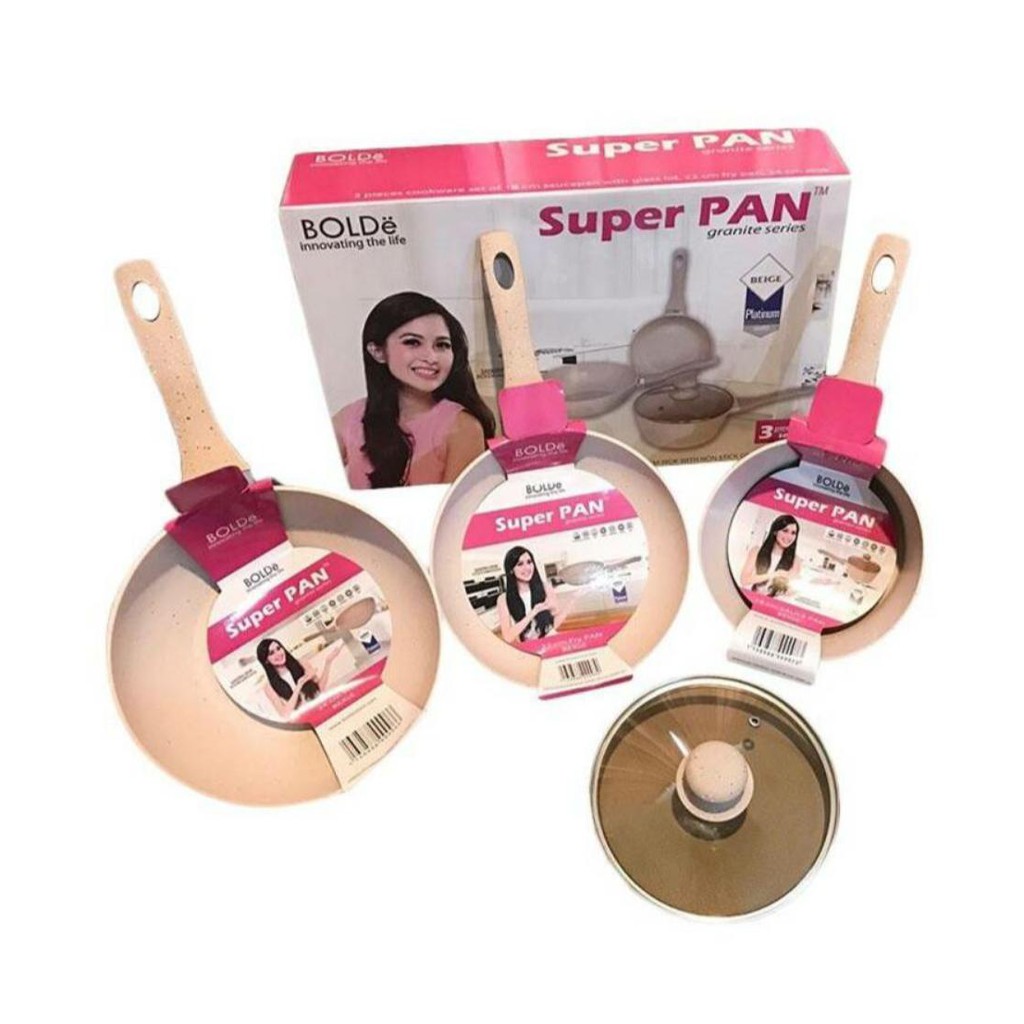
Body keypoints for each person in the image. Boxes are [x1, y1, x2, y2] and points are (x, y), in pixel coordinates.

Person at [335, 292, 496, 488]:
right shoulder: (348, 420)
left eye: (442, 345)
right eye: (413, 342)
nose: (431, 357)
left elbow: (454, 507)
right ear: (378, 351)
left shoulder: (463, 427)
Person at [256, 637, 343, 719]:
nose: (278, 653)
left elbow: (320, 689)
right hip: (306, 719)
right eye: (271, 653)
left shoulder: (302, 663)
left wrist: (328, 662)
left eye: (278, 648)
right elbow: (285, 714)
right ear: (266, 660)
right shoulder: (269, 687)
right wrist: (298, 686)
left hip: (323, 707)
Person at [497, 546, 567, 644]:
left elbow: (555, 621)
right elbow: (508, 637)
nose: (527, 567)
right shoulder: (503, 599)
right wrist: (533, 613)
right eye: (520, 564)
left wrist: (556, 608)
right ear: (511, 570)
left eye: (529, 562)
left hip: (551, 640)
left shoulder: (546, 587)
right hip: (528, 647)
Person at [739, 514, 803, 593]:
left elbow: (791, 588)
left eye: (793, 533)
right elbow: (744, 580)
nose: (789, 536)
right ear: (775, 531)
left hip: (777, 599)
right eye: (785, 530)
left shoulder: (796, 560)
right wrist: (774, 575)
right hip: (753, 596)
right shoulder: (756, 551)